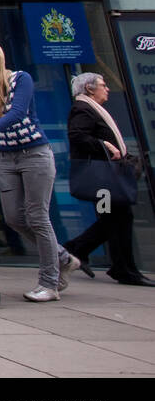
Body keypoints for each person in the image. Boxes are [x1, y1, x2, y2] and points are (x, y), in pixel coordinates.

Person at [0, 39, 79, 303]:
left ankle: (49, 283)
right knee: (14, 218)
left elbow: (17, 113)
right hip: (7, 158)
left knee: (38, 217)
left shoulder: (21, 79)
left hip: (34, 155)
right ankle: (62, 258)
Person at [62, 73, 153, 286]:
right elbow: (77, 136)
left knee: (116, 218)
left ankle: (87, 255)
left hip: (109, 177)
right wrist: (105, 145)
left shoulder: (92, 109)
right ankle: (77, 251)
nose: (108, 89)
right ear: (90, 89)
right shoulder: (82, 109)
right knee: (113, 219)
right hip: (102, 180)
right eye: (103, 85)